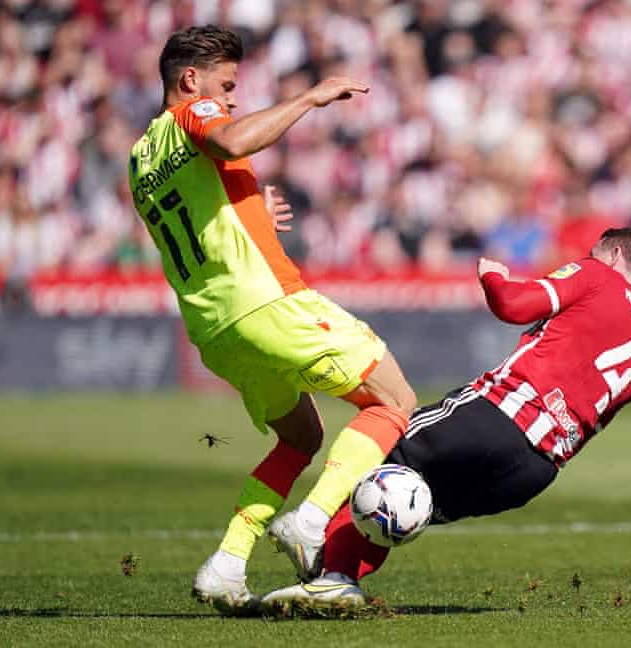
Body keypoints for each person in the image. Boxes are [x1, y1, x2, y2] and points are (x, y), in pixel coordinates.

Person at [127, 25, 417, 615]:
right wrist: (310, 98)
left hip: (214, 327)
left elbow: (203, 211)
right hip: (265, 300)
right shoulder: (193, 115)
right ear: (190, 81)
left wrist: (253, 211)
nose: (231, 98)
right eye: (227, 85)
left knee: (302, 437)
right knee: (394, 400)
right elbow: (230, 142)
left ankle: (227, 563)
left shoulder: (140, 157)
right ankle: (311, 521)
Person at [261, 227, 631, 607]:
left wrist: (493, 276)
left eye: (591, 253)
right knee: (403, 502)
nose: (583, 258)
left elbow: (515, 304)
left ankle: (316, 536)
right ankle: (333, 582)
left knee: (384, 449)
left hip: (499, 417)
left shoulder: (599, 275)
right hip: (534, 471)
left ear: (613, 254)